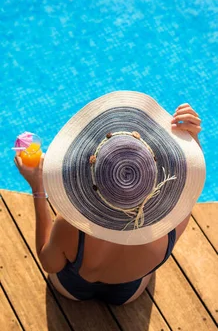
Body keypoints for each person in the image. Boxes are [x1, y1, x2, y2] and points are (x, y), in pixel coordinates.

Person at [15, 92, 205, 306]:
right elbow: (191, 185)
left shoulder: (70, 227)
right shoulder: (174, 222)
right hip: (128, 293)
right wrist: (191, 141)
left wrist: (38, 187)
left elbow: (49, 264)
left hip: (71, 288)